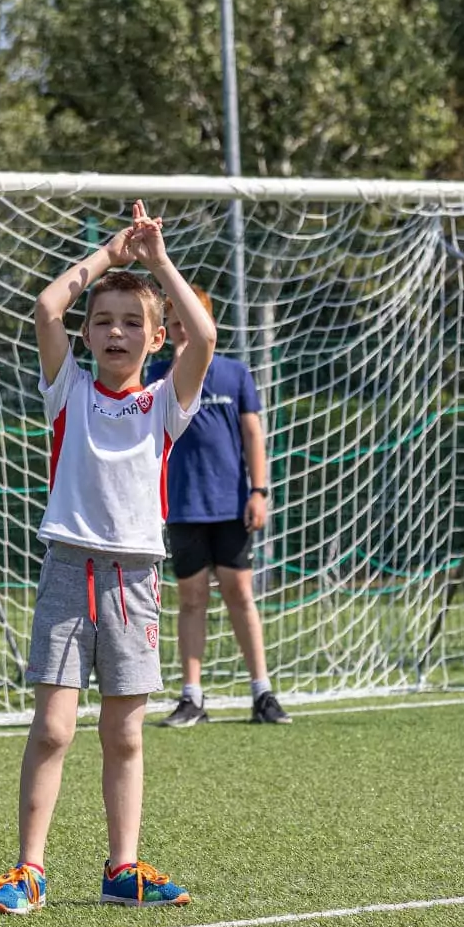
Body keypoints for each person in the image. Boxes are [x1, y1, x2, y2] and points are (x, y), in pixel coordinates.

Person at [0, 203, 215, 914]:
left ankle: (123, 869)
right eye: (104, 321)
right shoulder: (70, 390)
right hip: (68, 570)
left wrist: (157, 263)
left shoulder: (164, 402)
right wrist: (109, 259)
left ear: (153, 339)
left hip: (133, 580)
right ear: (87, 336)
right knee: (52, 727)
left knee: (123, 730)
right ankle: (28, 870)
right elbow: (47, 304)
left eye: (131, 323)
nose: (116, 331)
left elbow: (202, 333)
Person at [145, 285, 290, 726]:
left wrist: (259, 491)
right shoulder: (155, 374)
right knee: (190, 599)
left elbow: (252, 434)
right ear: (165, 331)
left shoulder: (233, 374)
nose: (182, 330)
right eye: (173, 325)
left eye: (190, 322)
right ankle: (192, 697)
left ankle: (262, 693)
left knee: (240, 594)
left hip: (230, 504)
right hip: (182, 506)